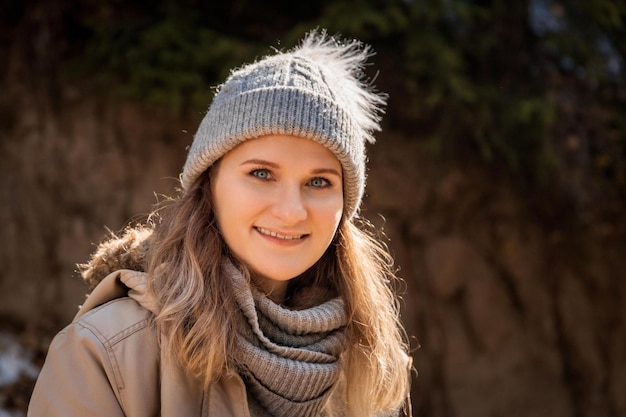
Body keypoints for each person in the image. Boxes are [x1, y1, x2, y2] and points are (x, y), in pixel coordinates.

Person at [27, 30, 412, 417]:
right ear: (209, 182)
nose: (292, 211)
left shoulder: (370, 368)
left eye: (319, 182)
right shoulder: (105, 352)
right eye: (262, 173)